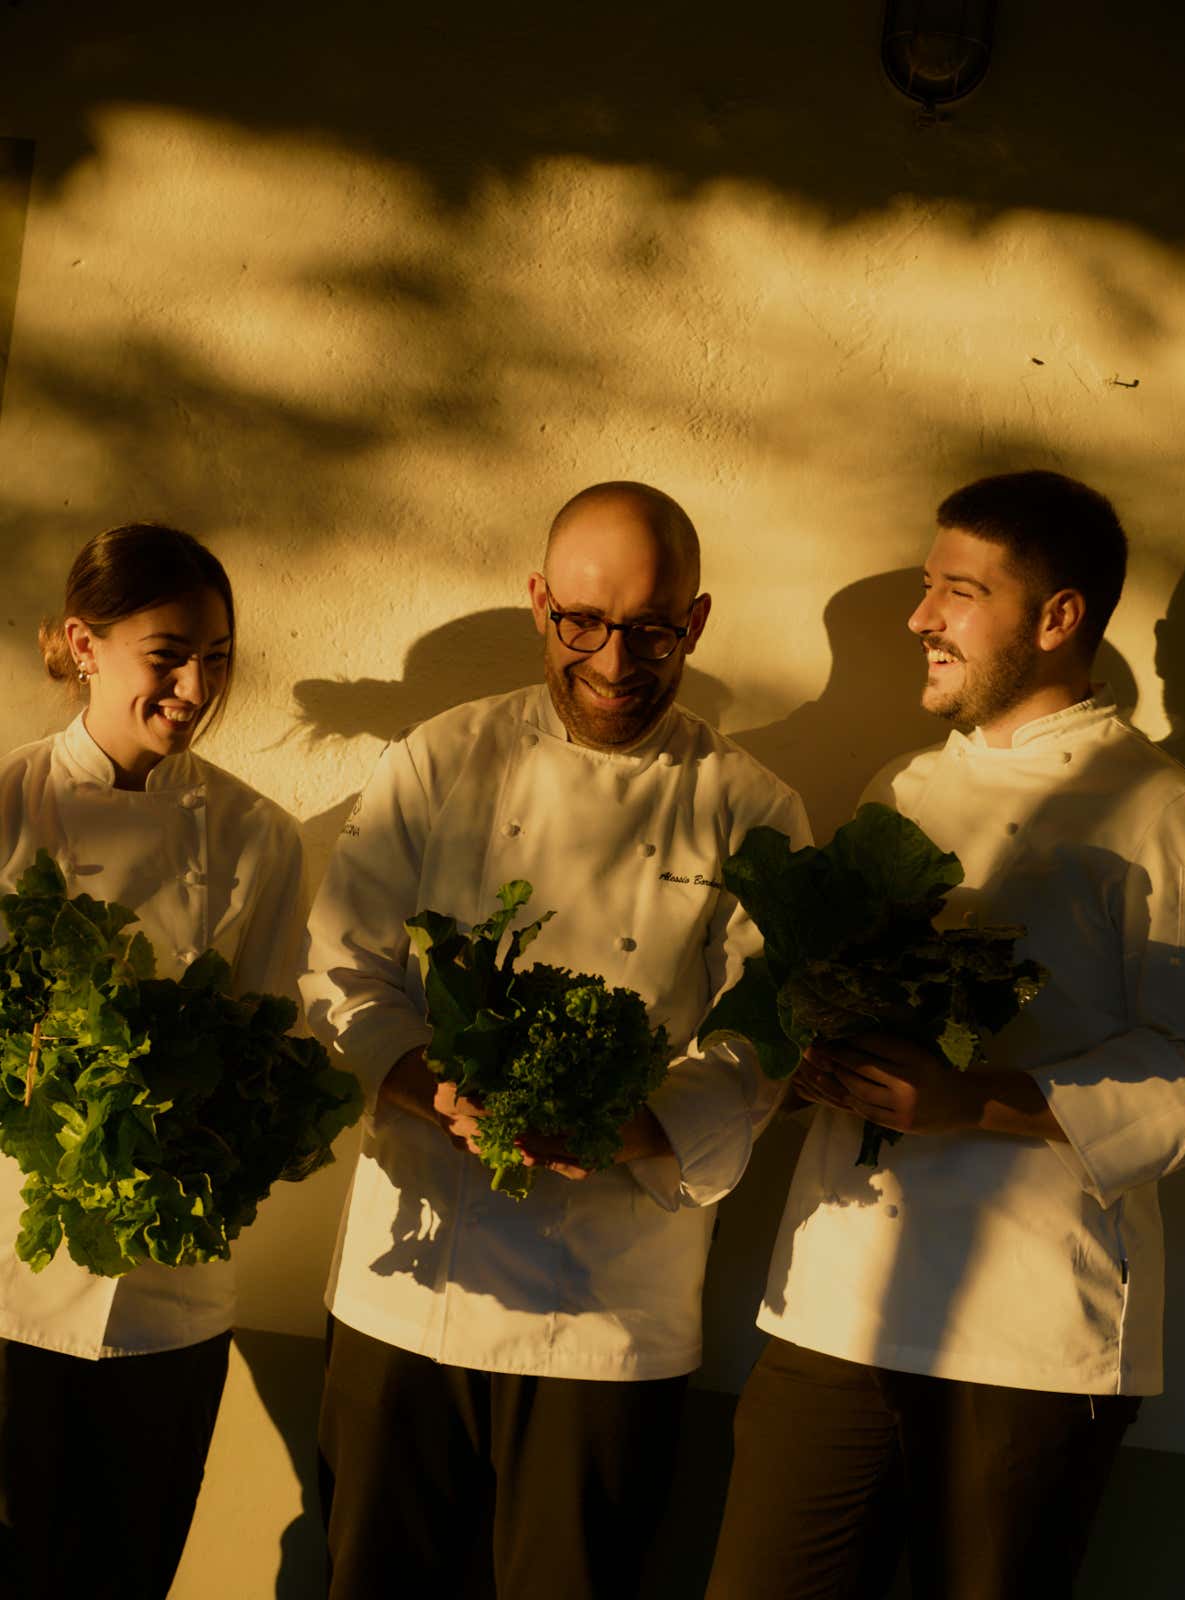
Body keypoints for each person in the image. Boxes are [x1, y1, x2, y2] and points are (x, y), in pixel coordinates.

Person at [301, 480, 811, 1600]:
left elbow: (764, 1033)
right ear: (539, 602)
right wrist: (428, 1084)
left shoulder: (753, 807)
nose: (617, 661)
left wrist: (642, 1122)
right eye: (584, 621)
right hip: (409, 1290)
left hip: (613, 1312)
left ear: (698, 620)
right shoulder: (443, 758)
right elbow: (342, 967)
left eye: (652, 630)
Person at [705, 470, 1185, 1600]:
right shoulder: (903, 787)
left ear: (1057, 617)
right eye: (929, 586)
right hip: (838, 1300)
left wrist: (968, 1101)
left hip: (1025, 1336)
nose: (921, 618)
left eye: (959, 592)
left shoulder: (1162, 810)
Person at [0, 524, 305, 1600]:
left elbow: (274, 1048)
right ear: (84, 645)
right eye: (168, 653)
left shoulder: (260, 836)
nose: (195, 686)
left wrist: (212, 1117)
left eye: (217, 657)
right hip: (6, 1285)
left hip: (171, 1298)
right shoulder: (7, 806)